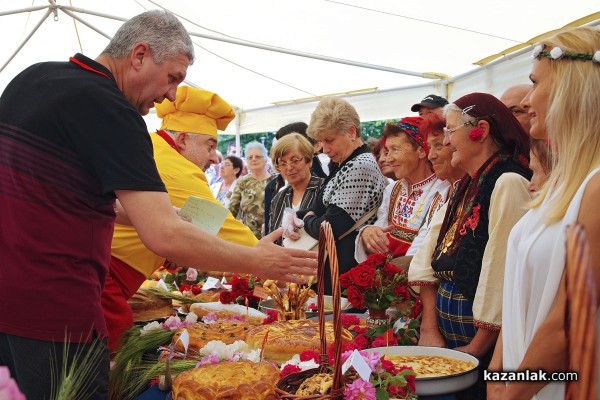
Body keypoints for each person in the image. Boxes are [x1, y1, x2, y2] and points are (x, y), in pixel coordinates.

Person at [0, 10, 316, 400]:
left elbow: (54, 196)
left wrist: (138, 214)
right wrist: (262, 261)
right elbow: (165, 236)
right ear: (139, 55)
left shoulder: (30, 79)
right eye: (172, 78)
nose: (169, 94)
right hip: (56, 308)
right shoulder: (113, 110)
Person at [488, 26, 600, 400]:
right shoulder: (559, 181)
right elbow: (518, 294)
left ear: (571, 88)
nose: (528, 100)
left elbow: (568, 324)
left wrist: (509, 395)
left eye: (535, 84)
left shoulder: (596, 187)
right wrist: (496, 379)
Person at [104, 86, 259, 353]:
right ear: (183, 139)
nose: (214, 156)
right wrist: (279, 265)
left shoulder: (151, 146)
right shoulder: (179, 169)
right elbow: (233, 237)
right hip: (104, 279)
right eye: (210, 146)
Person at [413, 92, 533, 398]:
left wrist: (477, 347)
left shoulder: (507, 181)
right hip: (455, 342)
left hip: (482, 349)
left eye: (451, 131)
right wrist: (431, 326)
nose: (448, 142)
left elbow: (501, 270)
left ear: (480, 129)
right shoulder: (467, 183)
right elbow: (429, 253)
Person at [296, 97, 388, 294]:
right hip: (338, 268)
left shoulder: (360, 165)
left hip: (346, 273)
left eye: (330, 140)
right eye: (321, 142)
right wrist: (311, 215)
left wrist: (307, 217)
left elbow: (329, 227)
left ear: (351, 132)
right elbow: (318, 209)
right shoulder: (345, 163)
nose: (325, 149)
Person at [354, 117, 449, 262]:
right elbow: (381, 230)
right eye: (387, 151)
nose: (389, 159)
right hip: (387, 275)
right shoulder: (392, 189)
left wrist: (394, 274)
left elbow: (423, 245)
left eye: (395, 150)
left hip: (412, 276)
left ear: (421, 151)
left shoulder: (442, 190)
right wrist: (367, 233)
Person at [268, 133, 324, 243]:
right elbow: (273, 238)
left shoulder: (325, 188)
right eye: (283, 163)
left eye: (295, 160)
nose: (289, 167)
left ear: (309, 161)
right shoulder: (278, 198)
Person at [229, 141, 274, 238]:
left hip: (272, 235)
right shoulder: (242, 182)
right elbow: (232, 210)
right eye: (250, 157)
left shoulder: (276, 181)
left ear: (266, 159)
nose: (253, 159)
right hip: (247, 237)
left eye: (257, 156)